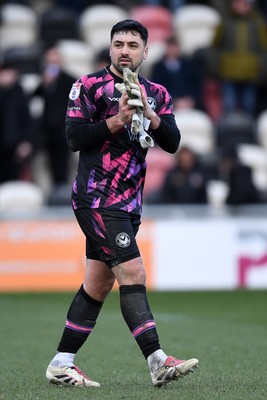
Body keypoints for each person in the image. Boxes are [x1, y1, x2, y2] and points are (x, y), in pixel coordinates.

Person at [45, 19, 199, 388]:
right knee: (133, 274)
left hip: (129, 202)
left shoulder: (156, 92)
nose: (125, 50)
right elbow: (73, 137)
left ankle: (61, 363)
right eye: (118, 44)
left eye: (132, 44)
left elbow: (173, 142)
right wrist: (118, 119)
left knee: (97, 285)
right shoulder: (88, 85)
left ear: (146, 51)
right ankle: (157, 360)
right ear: (110, 48)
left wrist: (148, 112)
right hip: (97, 198)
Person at [210, 0, 267, 116]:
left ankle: (248, 132)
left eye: (243, 3)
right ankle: (227, 131)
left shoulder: (258, 23)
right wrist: (217, 66)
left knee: (248, 106)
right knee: (228, 106)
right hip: (228, 71)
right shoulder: (225, 22)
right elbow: (216, 46)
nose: (239, 6)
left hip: (251, 71)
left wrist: (261, 68)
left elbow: (263, 48)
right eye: (237, 3)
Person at [33, 45, 75, 188]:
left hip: (63, 130)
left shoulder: (69, 80)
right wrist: (45, 83)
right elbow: (36, 96)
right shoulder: (45, 80)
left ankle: (62, 194)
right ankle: (54, 193)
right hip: (47, 130)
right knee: (49, 166)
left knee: (63, 165)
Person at [0, 61, 33, 183]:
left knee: (12, 181)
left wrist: (26, 142)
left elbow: (27, 121)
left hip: (13, 145)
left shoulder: (20, 94)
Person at [150, 36, 203, 112]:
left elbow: (196, 85)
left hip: (190, 102)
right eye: (170, 47)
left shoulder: (189, 65)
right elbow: (156, 89)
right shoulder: (158, 68)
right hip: (167, 105)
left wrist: (190, 99)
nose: (173, 50)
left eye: (175, 47)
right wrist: (173, 101)